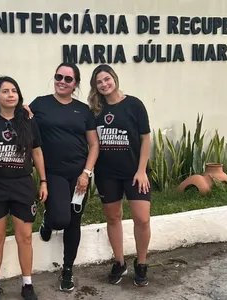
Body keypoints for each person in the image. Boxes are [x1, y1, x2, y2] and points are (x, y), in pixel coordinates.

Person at [29, 62, 99, 292]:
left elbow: (94, 144)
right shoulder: (40, 104)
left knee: (74, 222)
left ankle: (67, 269)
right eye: (59, 76)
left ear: (75, 84)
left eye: (68, 79)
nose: (62, 81)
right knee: (61, 219)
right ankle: (49, 220)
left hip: (79, 175)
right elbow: (20, 116)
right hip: (53, 173)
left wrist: (86, 174)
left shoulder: (83, 110)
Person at [0, 76, 48, 300]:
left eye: (14, 91)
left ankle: (27, 284)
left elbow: (37, 151)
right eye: (5, 91)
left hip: (22, 185)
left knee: (25, 237)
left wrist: (44, 181)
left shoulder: (28, 120)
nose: (10, 95)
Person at [87, 64, 152, 287]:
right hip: (107, 174)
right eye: (99, 82)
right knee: (113, 217)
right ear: (95, 86)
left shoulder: (134, 105)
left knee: (142, 219)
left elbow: (145, 138)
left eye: (107, 79)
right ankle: (119, 261)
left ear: (114, 78)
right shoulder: (95, 110)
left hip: (135, 173)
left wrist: (142, 170)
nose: (104, 84)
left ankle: (141, 263)